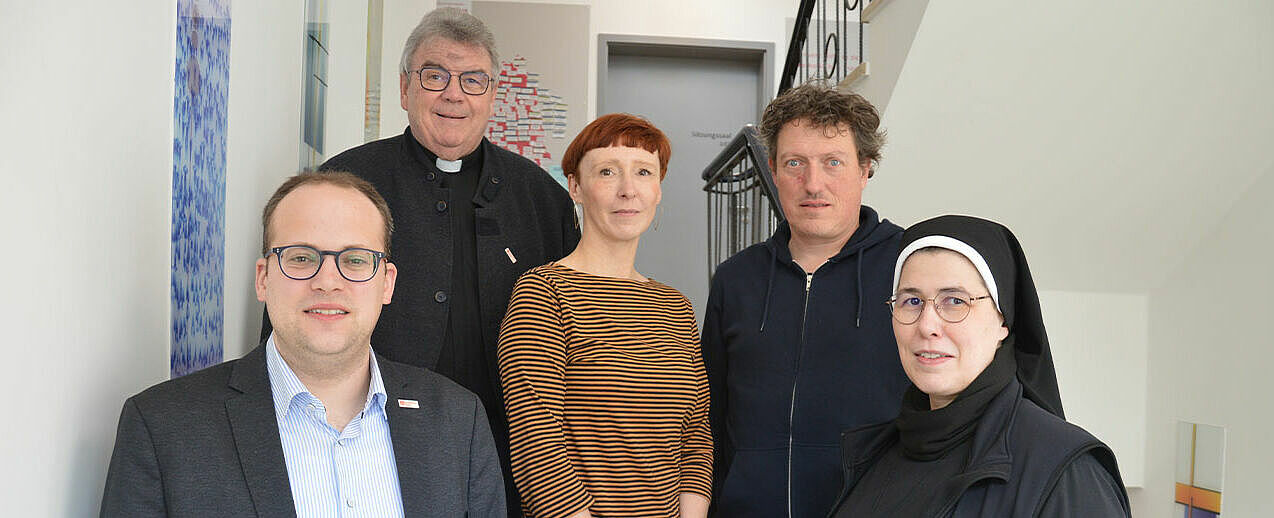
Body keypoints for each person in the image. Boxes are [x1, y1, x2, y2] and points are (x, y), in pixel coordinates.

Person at [261, 8, 579, 512]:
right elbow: (284, 320)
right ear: (405, 88)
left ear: (492, 95)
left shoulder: (542, 199)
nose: (454, 94)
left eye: (473, 80)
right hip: (370, 446)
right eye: (436, 76)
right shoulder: (345, 181)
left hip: (512, 453)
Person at [103, 172, 505, 517]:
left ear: (387, 283)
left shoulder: (458, 421)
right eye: (300, 258)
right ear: (263, 279)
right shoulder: (162, 426)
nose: (328, 281)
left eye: (356, 260)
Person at [828, 215, 1130, 517]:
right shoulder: (875, 455)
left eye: (955, 301)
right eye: (912, 301)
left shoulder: (1067, 472)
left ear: (1003, 320)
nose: (927, 325)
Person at [701, 84, 909, 517]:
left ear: (865, 168)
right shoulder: (735, 279)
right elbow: (713, 417)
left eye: (832, 162)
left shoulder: (911, 273)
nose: (812, 183)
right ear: (773, 170)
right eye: (795, 163)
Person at [497, 114, 712, 518]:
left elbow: (696, 437)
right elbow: (536, 442)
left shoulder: (675, 306)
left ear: (658, 189)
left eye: (644, 172)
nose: (628, 190)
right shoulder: (543, 292)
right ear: (576, 187)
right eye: (607, 172)